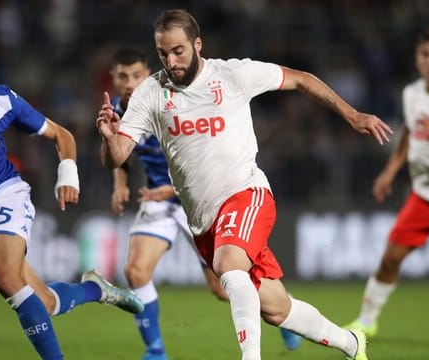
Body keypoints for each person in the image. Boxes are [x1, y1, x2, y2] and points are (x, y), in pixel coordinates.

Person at [96, 9, 392, 360]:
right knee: (277, 309)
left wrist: (352, 115)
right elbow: (117, 157)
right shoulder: (150, 93)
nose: (171, 60)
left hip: (246, 195)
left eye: (179, 51)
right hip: (203, 221)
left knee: (229, 265)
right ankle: (352, 343)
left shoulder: (233, 74)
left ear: (197, 44)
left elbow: (300, 78)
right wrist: (108, 137)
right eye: (163, 53)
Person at [0, 32, 143, 360]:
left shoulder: (2, 100)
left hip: (4, 195)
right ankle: (95, 289)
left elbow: (61, 135)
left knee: (7, 275)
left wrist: (67, 174)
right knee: (46, 304)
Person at [108, 46, 301, 359]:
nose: (129, 82)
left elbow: (199, 161)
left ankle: (284, 309)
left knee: (223, 289)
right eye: (122, 76)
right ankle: (155, 350)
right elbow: (122, 155)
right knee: (135, 271)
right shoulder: (118, 110)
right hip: (156, 201)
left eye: (136, 76)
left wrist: (169, 191)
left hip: (197, 199)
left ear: (149, 76)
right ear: (113, 79)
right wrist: (119, 184)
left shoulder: (163, 101)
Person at [345, 27, 429, 339]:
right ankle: (367, 321)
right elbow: (410, 134)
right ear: (417, 59)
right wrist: (389, 171)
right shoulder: (411, 94)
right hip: (423, 196)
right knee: (390, 259)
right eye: (426, 55)